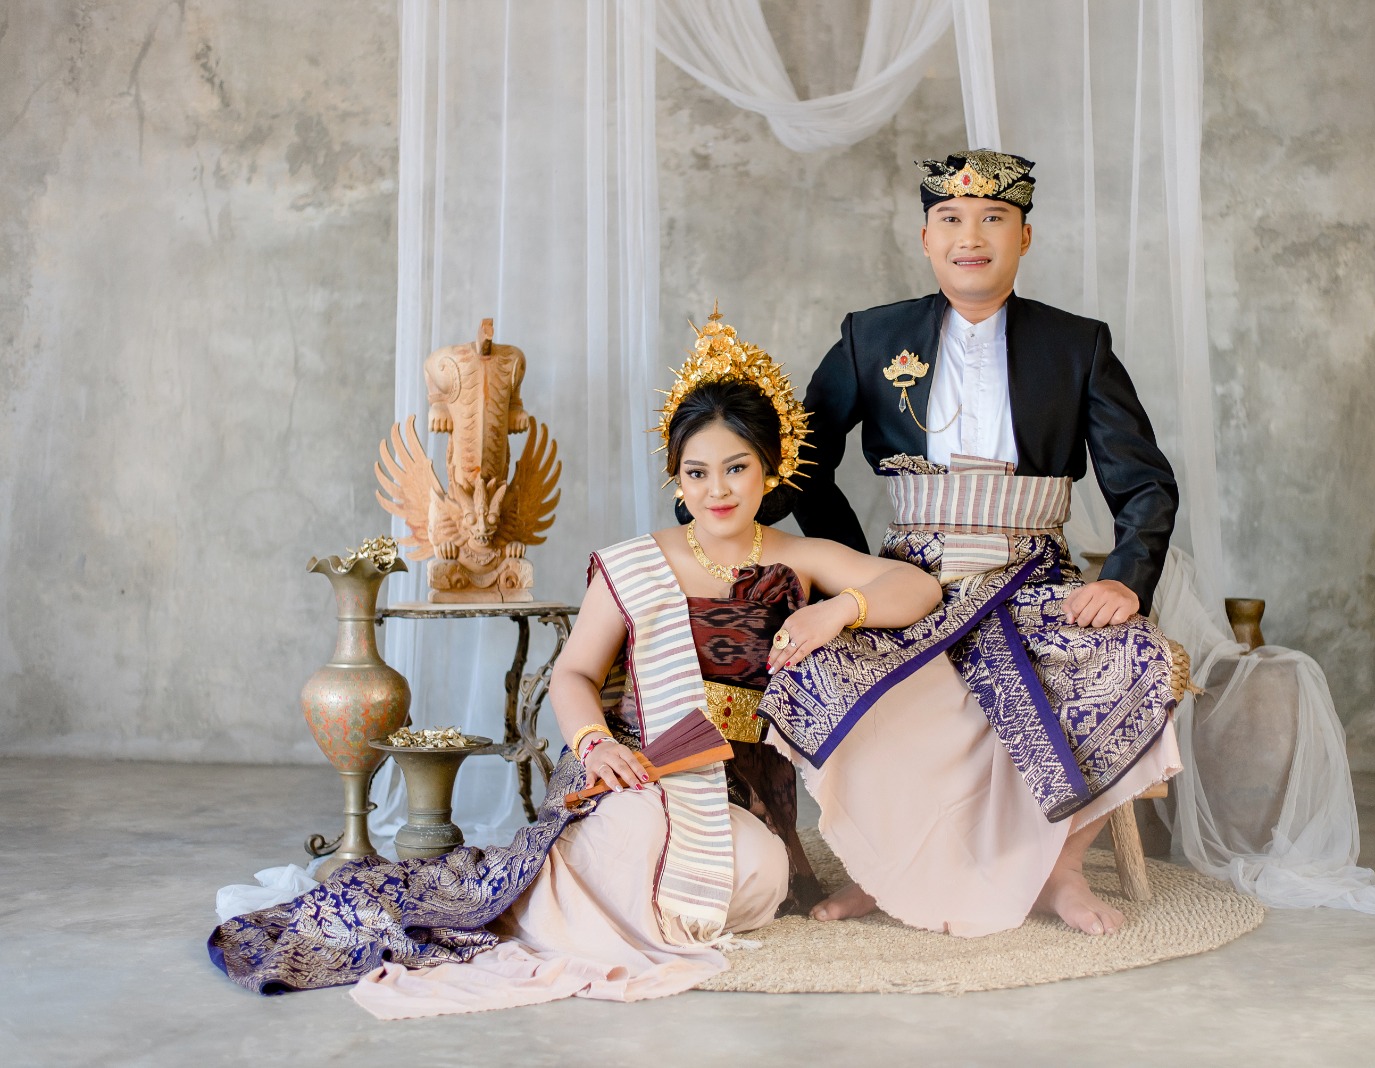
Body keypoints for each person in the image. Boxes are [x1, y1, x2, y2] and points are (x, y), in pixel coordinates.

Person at [206, 311, 940, 1017]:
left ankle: (624, 904)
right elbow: (574, 675)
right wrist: (592, 746)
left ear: (770, 470)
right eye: (696, 472)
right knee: (649, 841)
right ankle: (574, 902)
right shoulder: (637, 562)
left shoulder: (799, 556)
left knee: (761, 872)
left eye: (736, 468)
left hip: (735, 784)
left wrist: (835, 610)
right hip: (634, 767)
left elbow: (918, 589)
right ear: (676, 477)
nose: (716, 490)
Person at [770, 148, 1188, 937]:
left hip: (1035, 578)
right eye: (951, 218)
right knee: (816, 668)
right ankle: (882, 868)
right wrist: (853, 571)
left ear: (1024, 236)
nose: (972, 236)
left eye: (994, 218)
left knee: (1139, 658)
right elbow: (799, 467)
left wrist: (1124, 578)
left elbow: (1143, 483)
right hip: (910, 582)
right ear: (926, 237)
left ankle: (1061, 871)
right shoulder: (871, 336)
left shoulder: (1078, 345)